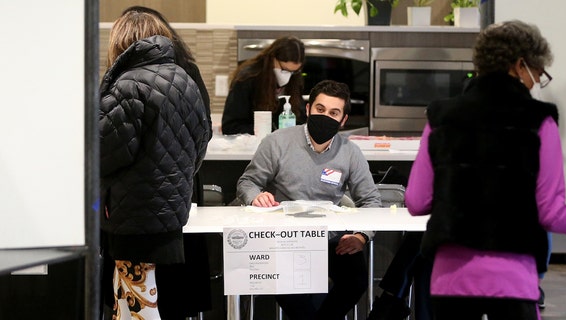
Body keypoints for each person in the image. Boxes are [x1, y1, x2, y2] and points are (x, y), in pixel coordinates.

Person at [403, 20, 566, 320]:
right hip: (512, 280)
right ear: (519, 65)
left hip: (450, 279)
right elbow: (551, 213)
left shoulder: (440, 116)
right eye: (537, 75)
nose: (534, 84)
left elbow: (416, 201)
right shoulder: (539, 120)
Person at [236, 80, 382, 320]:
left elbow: (371, 200)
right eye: (320, 109)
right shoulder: (277, 142)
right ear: (308, 109)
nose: (325, 116)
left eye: (334, 113)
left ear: (344, 120)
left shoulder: (350, 152)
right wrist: (257, 197)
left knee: (355, 281)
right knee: (288, 289)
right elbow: (247, 182)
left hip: (331, 238)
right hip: (284, 238)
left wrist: (361, 235)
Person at [99, 10, 211, 320]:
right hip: (170, 215)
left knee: (134, 304)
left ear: (122, 41)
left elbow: (104, 152)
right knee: (144, 302)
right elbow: (201, 145)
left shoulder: (129, 85)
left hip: (132, 216)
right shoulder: (185, 79)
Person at [222, 36, 305, 134]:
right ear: (273, 58)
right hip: (251, 144)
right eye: (284, 70)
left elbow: (301, 118)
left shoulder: (294, 79)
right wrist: (267, 130)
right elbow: (230, 127)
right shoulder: (247, 79)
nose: (287, 76)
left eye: (293, 72)